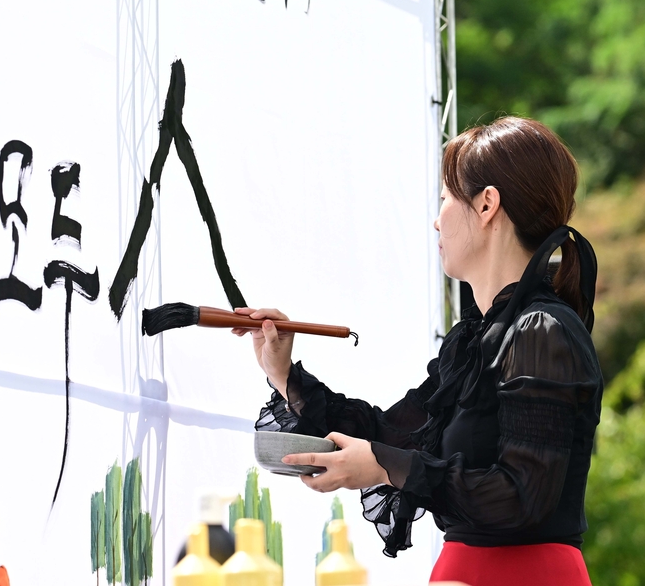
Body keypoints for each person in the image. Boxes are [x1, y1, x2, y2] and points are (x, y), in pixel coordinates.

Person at [237, 117, 601, 586]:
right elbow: (392, 435)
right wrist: (283, 372)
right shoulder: (474, 340)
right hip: (461, 572)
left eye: (446, 199)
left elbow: (521, 499)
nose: (437, 218)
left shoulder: (542, 331)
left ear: (487, 204)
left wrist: (387, 467)